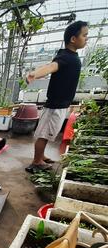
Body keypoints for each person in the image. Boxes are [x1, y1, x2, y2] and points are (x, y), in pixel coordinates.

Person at [25, 21, 88, 173]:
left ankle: (41, 156)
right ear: (73, 39)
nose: (87, 38)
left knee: (47, 134)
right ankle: (36, 161)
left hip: (60, 104)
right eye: (84, 35)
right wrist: (35, 74)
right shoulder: (66, 57)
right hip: (55, 106)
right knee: (44, 135)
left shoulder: (69, 55)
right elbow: (51, 67)